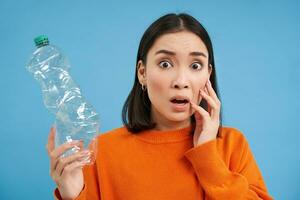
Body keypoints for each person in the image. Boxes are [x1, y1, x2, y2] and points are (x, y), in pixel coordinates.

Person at [47, 13, 273, 200]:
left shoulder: (232, 145)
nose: (181, 81)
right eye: (165, 64)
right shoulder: (101, 152)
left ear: (208, 75)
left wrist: (208, 157)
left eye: (196, 65)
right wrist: (73, 195)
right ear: (142, 73)